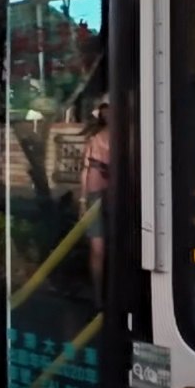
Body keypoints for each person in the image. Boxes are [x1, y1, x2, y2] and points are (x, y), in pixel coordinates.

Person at [81, 94, 110, 306]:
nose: (108, 112)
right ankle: (98, 296)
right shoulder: (94, 138)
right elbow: (85, 170)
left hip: (119, 198)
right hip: (95, 197)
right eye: (104, 108)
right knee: (97, 248)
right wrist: (82, 200)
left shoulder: (130, 135)